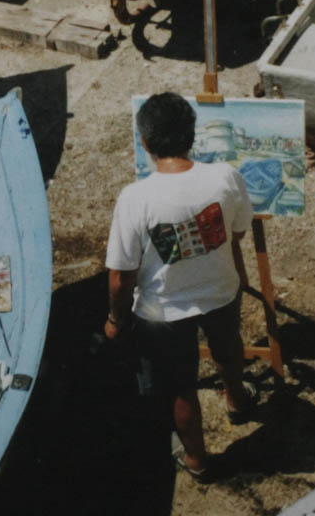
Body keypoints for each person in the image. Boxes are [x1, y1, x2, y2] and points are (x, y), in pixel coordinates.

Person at [104, 92, 256, 480]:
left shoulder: (135, 198)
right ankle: (237, 399)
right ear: (192, 135)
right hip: (222, 289)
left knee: (180, 387)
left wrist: (115, 320)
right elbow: (237, 233)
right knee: (229, 347)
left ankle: (197, 460)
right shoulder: (225, 176)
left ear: (145, 142)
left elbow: (122, 275)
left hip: (163, 311)